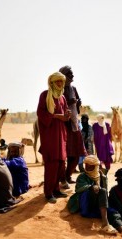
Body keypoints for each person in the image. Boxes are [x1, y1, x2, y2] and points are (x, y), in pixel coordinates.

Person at [67, 155, 122, 239]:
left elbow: (105, 192)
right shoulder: (82, 176)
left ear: (96, 166)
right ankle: (105, 223)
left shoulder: (101, 176)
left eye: (91, 166)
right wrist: (91, 187)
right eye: (86, 165)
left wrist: (101, 184)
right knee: (102, 191)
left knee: (113, 212)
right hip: (86, 205)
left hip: (99, 206)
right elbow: (79, 188)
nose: (87, 168)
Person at [36, 71, 71, 203]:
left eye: (62, 81)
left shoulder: (62, 98)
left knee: (61, 164)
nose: (60, 84)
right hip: (50, 136)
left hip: (61, 135)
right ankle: (48, 192)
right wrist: (57, 116)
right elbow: (40, 113)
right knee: (51, 164)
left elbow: (65, 114)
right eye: (58, 81)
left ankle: (56, 189)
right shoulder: (45, 95)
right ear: (52, 82)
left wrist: (66, 115)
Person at [59, 65, 87, 188]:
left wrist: (78, 103)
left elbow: (77, 103)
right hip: (63, 125)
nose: (72, 76)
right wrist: (69, 103)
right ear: (63, 75)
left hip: (74, 125)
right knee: (62, 155)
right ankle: (61, 178)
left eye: (72, 74)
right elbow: (58, 106)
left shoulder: (73, 88)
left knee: (76, 154)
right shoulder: (58, 89)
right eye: (70, 74)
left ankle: (68, 176)